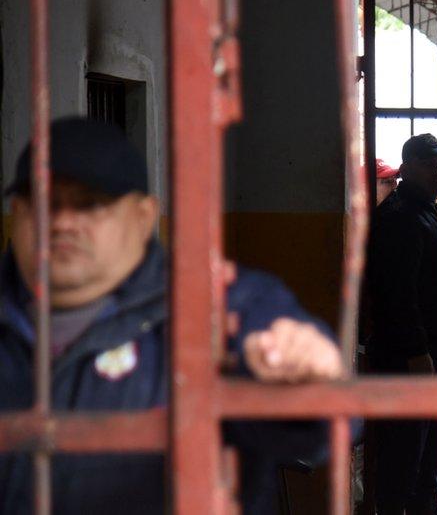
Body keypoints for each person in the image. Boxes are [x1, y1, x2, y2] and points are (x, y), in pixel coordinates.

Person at [0, 117, 344, 515]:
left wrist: (308, 383)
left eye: (89, 203)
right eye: (40, 201)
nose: (61, 221)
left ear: (145, 217)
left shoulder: (224, 307)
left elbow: (324, 434)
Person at [366, 133, 437, 514]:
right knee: (404, 462)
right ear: (408, 167)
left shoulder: (431, 212)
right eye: (432, 163)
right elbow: (397, 294)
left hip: (434, 354)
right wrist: (418, 352)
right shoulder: (399, 216)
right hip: (410, 361)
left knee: (430, 458)